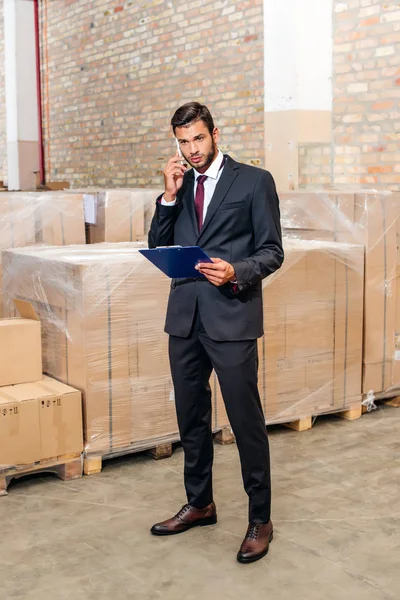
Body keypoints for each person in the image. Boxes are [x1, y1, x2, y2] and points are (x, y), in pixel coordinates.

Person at [148, 102, 283, 564]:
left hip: (232, 315)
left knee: (245, 422)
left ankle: (260, 519)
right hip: (184, 317)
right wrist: (168, 198)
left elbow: (272, 251)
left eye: (199, 139)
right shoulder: (180, 184)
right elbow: (160, 245)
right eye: (183, 143)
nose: (192, 151)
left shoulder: (254, 181)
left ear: (215, 133)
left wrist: (236, 270)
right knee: (191, 419)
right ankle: (200, 503)